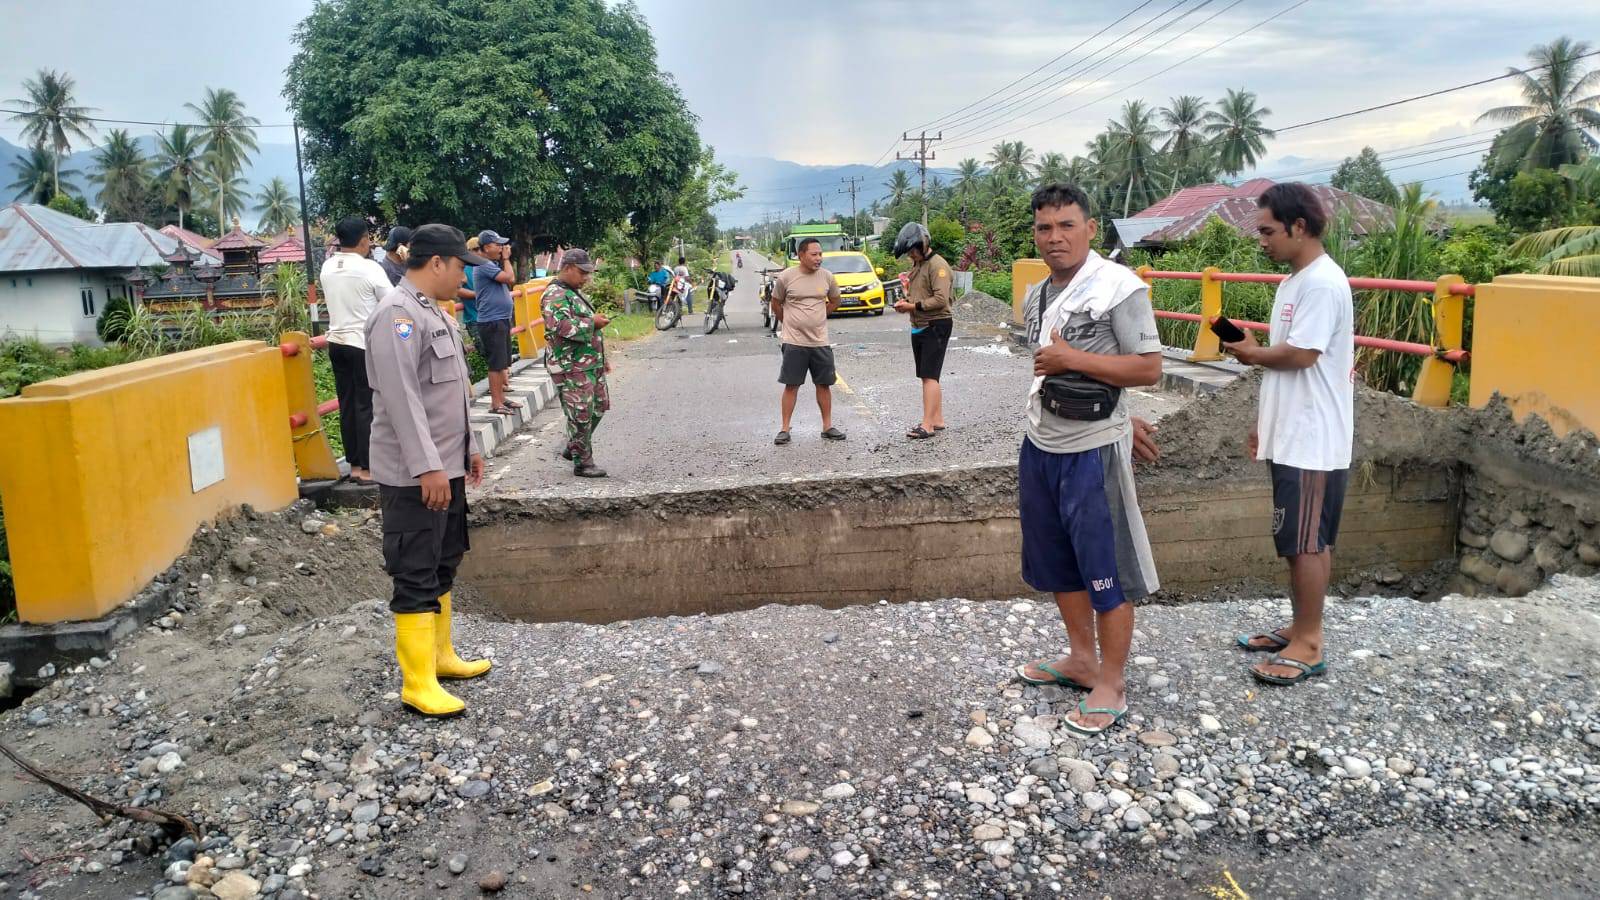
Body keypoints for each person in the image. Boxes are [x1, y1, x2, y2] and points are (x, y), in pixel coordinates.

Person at [1011, 183, 1163, 737]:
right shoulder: (1038, 293)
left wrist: (1114, 410)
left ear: (1091, 228)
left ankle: (1112, 681)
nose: (1055, 237)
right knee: (1057, 561)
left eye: (1066, 225)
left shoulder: (1119, 287)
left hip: (1093, 448)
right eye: (1044, 227)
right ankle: (1080, 658)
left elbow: (1149, 368)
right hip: (1042, 442)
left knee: (1107, 566)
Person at [1221, 182, 1354, 687]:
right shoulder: (1294, 282)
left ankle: (1310, 642)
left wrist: (1251, 353)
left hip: (1314, 436)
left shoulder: (1322, 283)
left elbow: (1301, 355)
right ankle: (1300, 626)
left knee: (1306, 542)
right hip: (1293, 431)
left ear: (1300, 227)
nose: (1262, 240)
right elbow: (1289, 361)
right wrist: (1265, 426)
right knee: (1300, 537)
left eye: (1268, 231)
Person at [364, 224, 491, 718]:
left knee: (445, 559)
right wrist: (427, 467)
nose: (464, 277)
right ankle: (417, 683)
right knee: (415, 570)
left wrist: (470, 448)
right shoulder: (396, 315)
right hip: (415, 475)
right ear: (436, 263)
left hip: (446, 466)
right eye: (461, 266)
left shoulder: (434, 313)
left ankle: (440, 657)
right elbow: (401, 399)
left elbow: (454, 393)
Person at [319, 216, 391, 485]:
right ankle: (370, 469)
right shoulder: (369, 268)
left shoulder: (327, 267)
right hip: (362, 343)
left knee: (347, 405)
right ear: (363, 240)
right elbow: (391, 300)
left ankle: (355, 467)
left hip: (336, 342)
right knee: (367, 405)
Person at [541, 249, 611, 477]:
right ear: (568, 267)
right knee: (580, 414)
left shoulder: (572, 291)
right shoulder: (554, 295)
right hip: (571, 366)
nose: (586, 278)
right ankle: (583, 463)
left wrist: (603, 358)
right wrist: (593, 322)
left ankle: (574, 446)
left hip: (589, 362)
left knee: (599, 407)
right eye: (582, 273)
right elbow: (560, 327)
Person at [771, 237, 844, 445]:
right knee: (791, 384)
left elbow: (835, 300)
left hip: (820, 341)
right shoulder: (786, 277)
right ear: (801, 255)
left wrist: (820, 316)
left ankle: (827, 426)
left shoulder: (827, 277)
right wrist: (788, 322)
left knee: (824, 384)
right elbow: (776, 303)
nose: (818, 258)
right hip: (794, 341)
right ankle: (785, 428)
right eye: (814, 254)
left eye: (820, 254)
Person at [890, 222, 954, 440]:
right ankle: (937, 419)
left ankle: (927, 425)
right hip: (920, 325)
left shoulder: (938, 266)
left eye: (912, 251)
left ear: (923, 244)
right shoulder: (918, 266)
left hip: (936, 324)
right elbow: (919, 295)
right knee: (928, 376)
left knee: (929, 376)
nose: (911, 255)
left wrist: (913, 306)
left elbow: (940, 299)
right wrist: (906, 299)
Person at [473, 230, 519, 416]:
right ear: (486, 247)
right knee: (496, 364)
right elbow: (510, 279)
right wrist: (506, 259)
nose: (501, 248)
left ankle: (501, 398)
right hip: (492, 321)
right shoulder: (483, 264)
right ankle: (495, 403)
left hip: (500, 319)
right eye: (497, 245)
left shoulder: (490, 264)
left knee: (502, 363)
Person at [458, 236, 481, 351]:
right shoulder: (463, 269)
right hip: (474, 318)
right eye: (476, 249)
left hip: (490, 317)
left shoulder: (486, 266)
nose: (479, 252)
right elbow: (457, 290)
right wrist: (478, 294)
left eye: (481, 248)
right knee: (489, 353)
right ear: (469, 251)